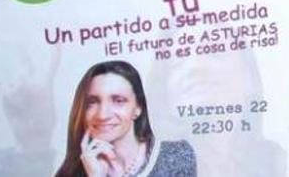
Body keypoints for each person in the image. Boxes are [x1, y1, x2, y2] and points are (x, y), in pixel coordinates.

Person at [54, 61, 196, 177]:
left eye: (118, 101)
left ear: (138, 108)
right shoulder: (70, 174)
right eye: (92, 102)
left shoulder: (176, 157)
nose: (103, 115)